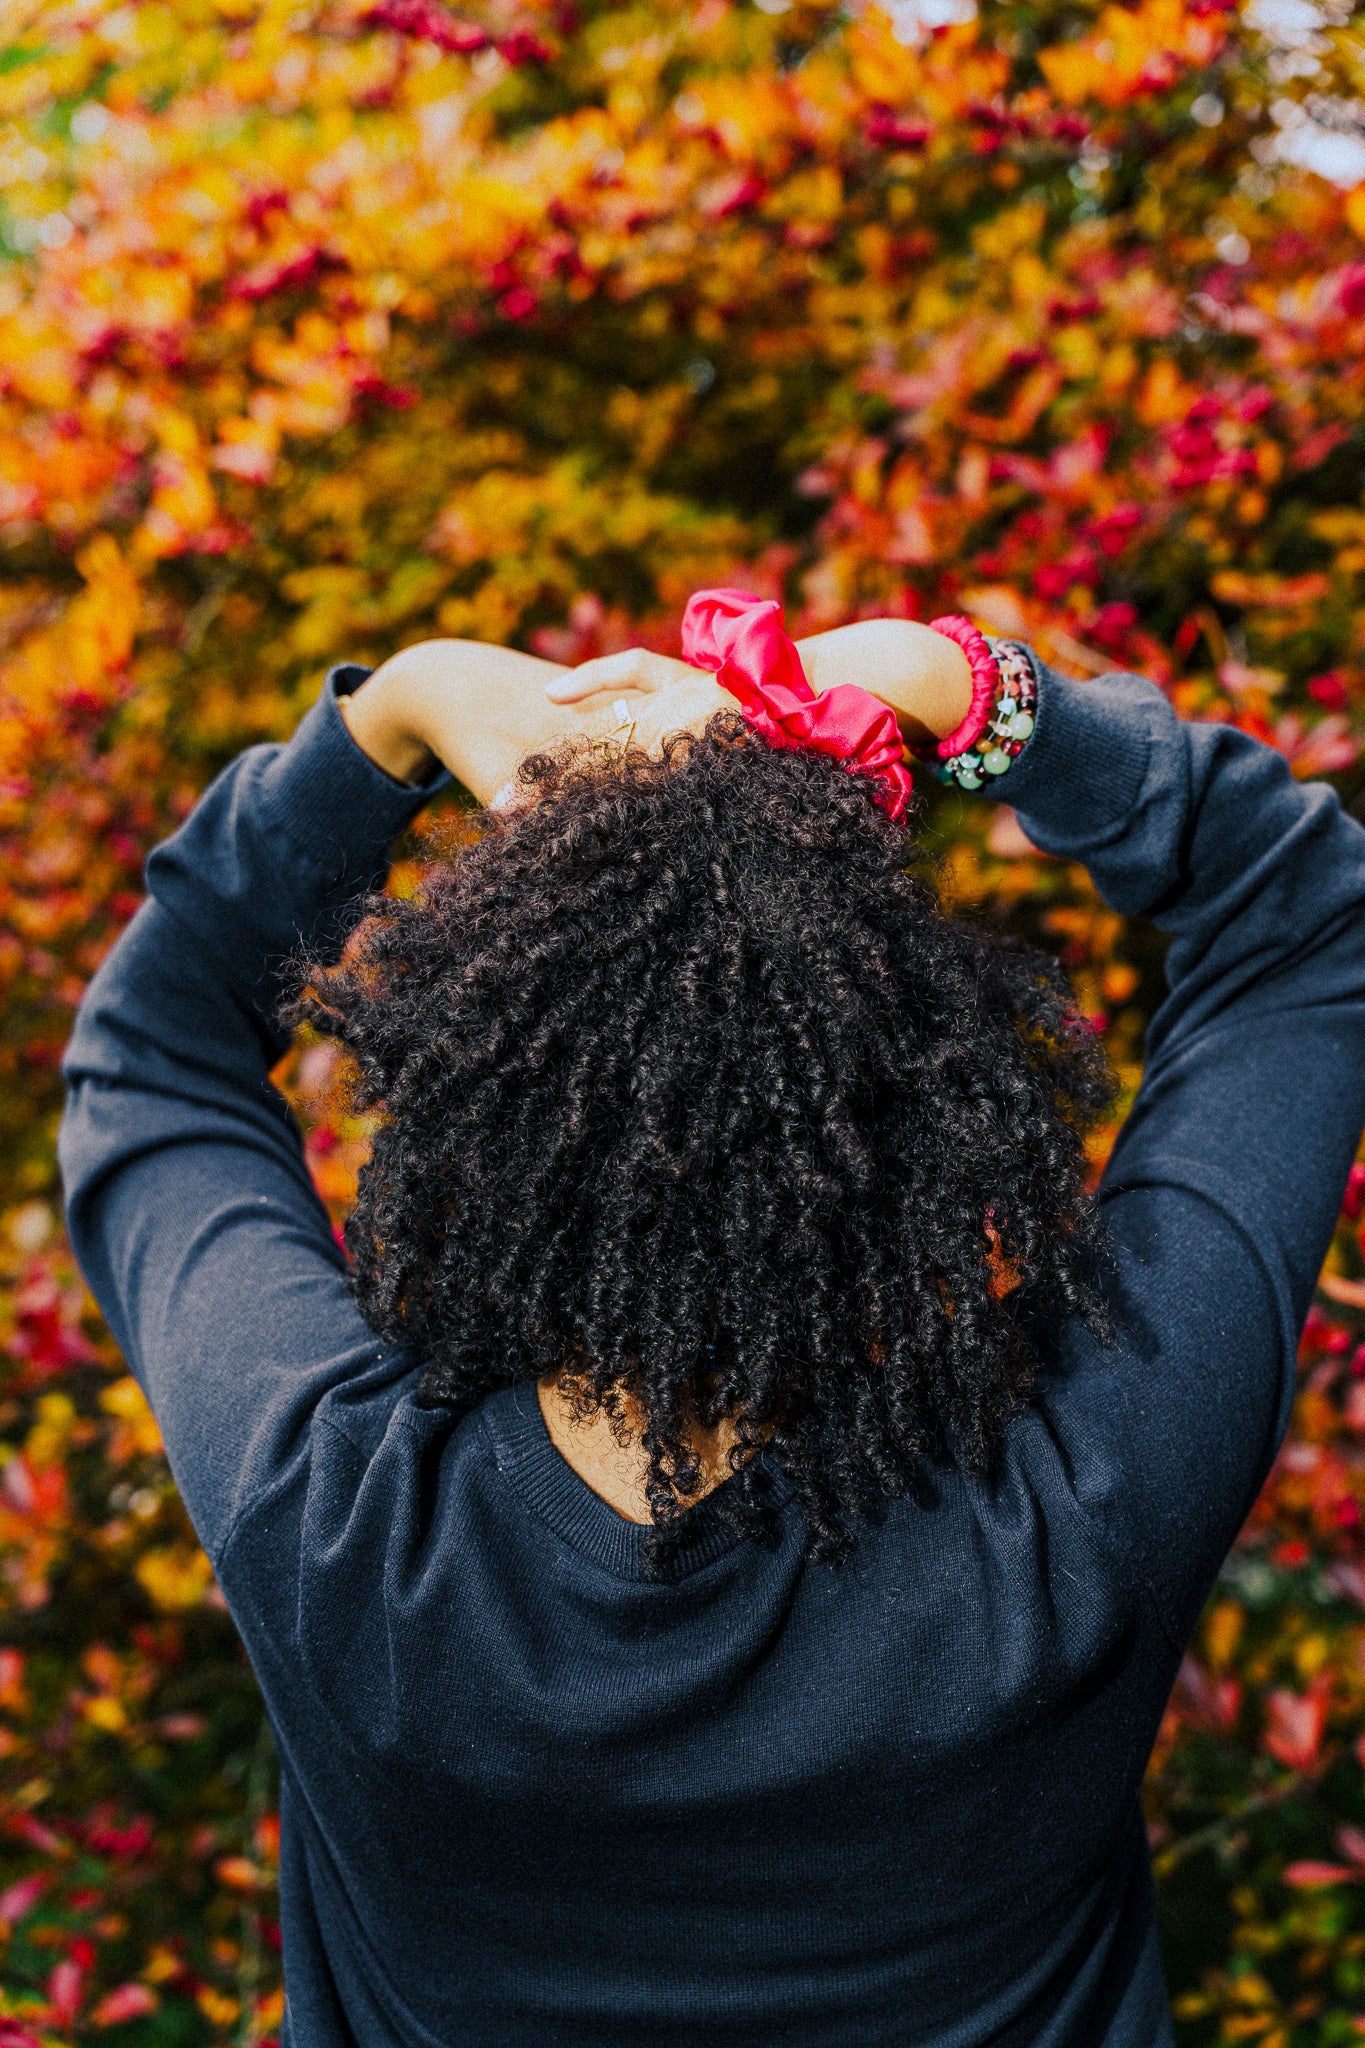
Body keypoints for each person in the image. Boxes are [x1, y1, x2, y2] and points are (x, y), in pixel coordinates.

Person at [59, 591, 1365, 2048]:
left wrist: (398, 714)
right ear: (919, 1135)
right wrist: (944, 682)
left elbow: (153, 1054)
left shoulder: (331, 1525)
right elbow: (1310, 923)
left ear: (471, 1136)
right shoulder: (1083, 1503)